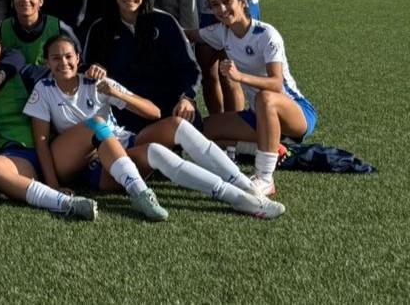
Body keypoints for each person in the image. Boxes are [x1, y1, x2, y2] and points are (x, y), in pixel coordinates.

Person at [26, 35, 283, 222]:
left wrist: (116, 93)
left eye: (68, 56)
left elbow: (154, 113)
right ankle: (140, 193)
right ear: (47, 63)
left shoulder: (95, 81)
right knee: (97, 124)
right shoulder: (44, 90)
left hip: (119, 147)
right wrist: (51, 185)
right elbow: (41, 141)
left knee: (173, 130)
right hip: (87, 162)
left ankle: (244, 193)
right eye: (55, 58)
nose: (63, 62)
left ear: (78, 58)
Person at [194, 0, 317, 198]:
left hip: (295, 113)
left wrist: (239, 77)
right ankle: (269, 148)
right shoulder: (221, 32)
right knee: (202, 131)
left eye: (226, 1)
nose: (221, 9)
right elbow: (186, 33)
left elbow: (276, 83)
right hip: (258, 115)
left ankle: (264, 178)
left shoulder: (266, 34)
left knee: (266, 98)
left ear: (242, 2)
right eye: (214, 5)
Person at [0, 30, 98, 219]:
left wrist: (93, 69)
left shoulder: (24, 74)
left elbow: (63, 71)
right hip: (11, 157)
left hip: (44, 151)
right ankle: (65, 203)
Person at [82, 0, 201, 134]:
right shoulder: (100, 28)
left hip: (166, 104)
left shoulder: (165, 22)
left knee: (191, 122)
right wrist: (94, 70)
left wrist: (187, 98)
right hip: (125, 109)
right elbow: (89, 68)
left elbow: (189, 67)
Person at [0, 0, 78, 85]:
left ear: (41, 1)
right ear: (12, 1)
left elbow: (77, 64)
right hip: (14, 94)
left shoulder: (60, 28)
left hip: (51, 91)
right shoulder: (1, 30)